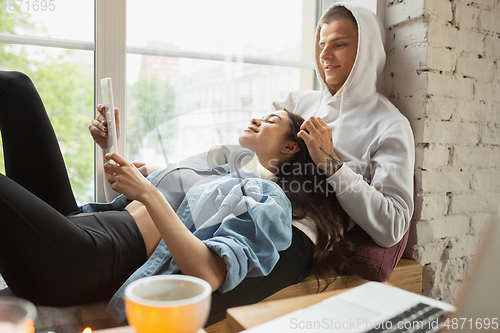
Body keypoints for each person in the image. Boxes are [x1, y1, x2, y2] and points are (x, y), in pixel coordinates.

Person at [0, 71, 350, 321]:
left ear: (290, 146)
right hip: (84, 220)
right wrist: (111, 146)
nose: (257, 118)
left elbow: (208, 275)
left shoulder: (268, 198)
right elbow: (128, 202)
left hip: (89, 256)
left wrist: (149, 193)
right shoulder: (222, 168)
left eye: (272, 120)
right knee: (14, 87)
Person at [204, 3, 415, 325]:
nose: (325, 54)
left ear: (368, 51)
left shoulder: (389, 124)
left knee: (195, 296)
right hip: (242, 208)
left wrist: (332, 163)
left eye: (340, 44)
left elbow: (392, 227)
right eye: (321, 45)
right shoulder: (296, 102)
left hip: (294, 236)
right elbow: (247, 148)